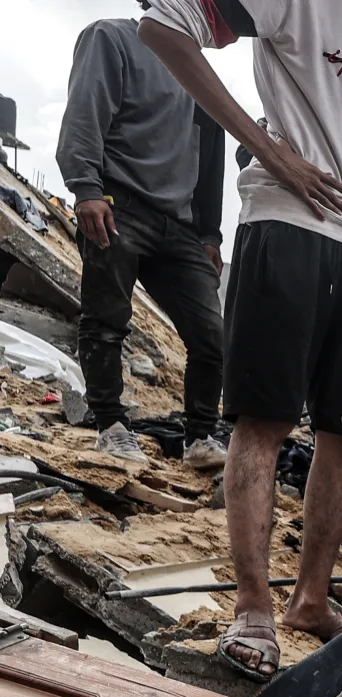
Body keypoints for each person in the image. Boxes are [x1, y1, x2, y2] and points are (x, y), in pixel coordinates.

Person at [140, 0, 342, 683]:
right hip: (284, 224)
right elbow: (164, 27)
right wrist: (269, 149)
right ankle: (254, 609)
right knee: (264, 421)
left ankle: (311, 601)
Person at [57, 16, 226, 472]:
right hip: (118, 202)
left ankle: (201, 438)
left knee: (211, 336)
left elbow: (212, 156)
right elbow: (85, 112)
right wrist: (87, 188)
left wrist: (209, 233)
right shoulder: (112, 37)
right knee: (107, 320)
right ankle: (110, 426)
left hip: (180, 225)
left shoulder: (198, 72)